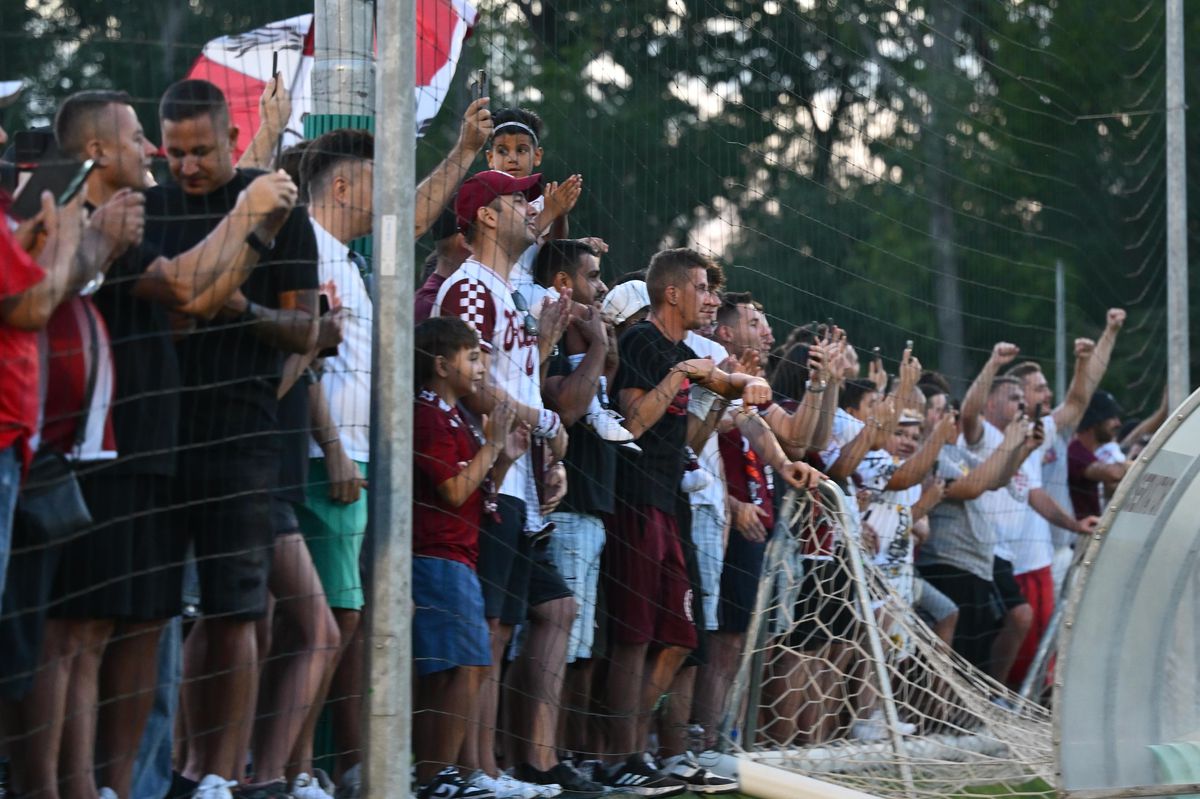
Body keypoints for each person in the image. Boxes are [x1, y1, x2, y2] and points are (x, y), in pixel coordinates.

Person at [143, 78, 318, 799]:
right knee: (148, 613)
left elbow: (305, 328)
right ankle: (171, 769)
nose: (187, 166)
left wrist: (241, 307)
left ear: (228, 137)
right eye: (173, 152)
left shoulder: (279, 207)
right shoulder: (149, 209)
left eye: (201, 151)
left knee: (238, 611)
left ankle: (223, 771)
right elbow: (173, 310)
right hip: (153, 433)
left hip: (244, 435)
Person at [601, 248, 819, 794]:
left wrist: (717, 398)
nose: (711, 299)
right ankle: (617, 756)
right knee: (633, 639)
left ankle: (641, 746)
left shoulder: (683, 352)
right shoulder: (642, 343)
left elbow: (690, 445)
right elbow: (632, 423)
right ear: (672, 293)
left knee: (680, 637)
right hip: (635, 501)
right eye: (702, 288)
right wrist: (682, 376)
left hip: (670, 500)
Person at [430, 169, 576, 799]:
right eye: (520, 199)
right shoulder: (468, 288)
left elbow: (512, 379)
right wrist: (543, 421)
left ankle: (487, 768)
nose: (531, 207)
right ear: (486, 215)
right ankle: (471, 770)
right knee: (484, 629)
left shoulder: (507, 291)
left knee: (503, 628)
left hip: (513, 480)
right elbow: (471, 385)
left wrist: (547, 455)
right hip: (481, 477)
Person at [412, 316, 523, 799]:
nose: (481, 368)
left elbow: (477, 487)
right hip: (436, 555)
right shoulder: (428, 414)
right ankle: (433, 776)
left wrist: (505, 458)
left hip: (461, 554)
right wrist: (493, 444)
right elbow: (454, 490)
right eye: (472, 358)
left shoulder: (456, 416)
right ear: (440, 364)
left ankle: (431, 774)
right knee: (466, 665)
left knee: (460, 668)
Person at [1068, 390, 1127, 520]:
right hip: (1076, 535)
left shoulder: (1087, 452)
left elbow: (1110, 485)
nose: (1118, 423)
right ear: (1095, 420)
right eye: (1112, 417)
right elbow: (1113, 473)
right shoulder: (1075, 451)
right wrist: (1145, 464)